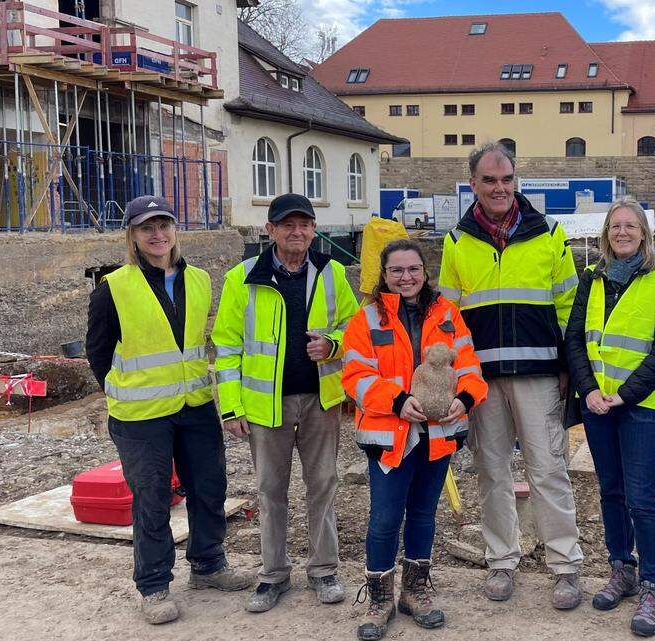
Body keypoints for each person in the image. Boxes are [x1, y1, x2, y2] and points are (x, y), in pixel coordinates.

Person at [85, 196, 253, 625]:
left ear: (175, 229)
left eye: (164, 225)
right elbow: (98, 352)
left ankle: (208, 565)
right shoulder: (113, 287)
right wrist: (120, 390)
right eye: (147, 228)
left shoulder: (198, 279)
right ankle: (154, 584)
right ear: (133, 237)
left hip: (195, 405)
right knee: (153, 498)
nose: (158, 235)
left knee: (209, 487)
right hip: (140, 416)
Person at [438, 141, 584, 609]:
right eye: (489, 180)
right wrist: (456, 376)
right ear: (473, 184)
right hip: (481, 379)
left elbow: (568, 307)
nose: (499, 188)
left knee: (548, 470)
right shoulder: (457, 242)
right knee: (491, 471)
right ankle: (501, 560)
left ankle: (564, 565)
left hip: (539, 374)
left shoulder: (550, 234)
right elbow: (448, 316)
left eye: (506, 179)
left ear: (515, 179)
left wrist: (565, 365)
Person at [212, 193, 360, 613]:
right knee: (270, 491)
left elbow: (355, 330)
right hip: (265, 407)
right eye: (287, 225)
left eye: (305, 225)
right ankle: (273, 575)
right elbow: (226, 346)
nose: (297, 232)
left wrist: (332, 345)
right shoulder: (242, 278)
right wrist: (231, 407)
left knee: (323, 487)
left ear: (314, 229)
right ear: (270, 230)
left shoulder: (331, 273)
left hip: (321, 401)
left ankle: (324, 570)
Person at [343, 238, 488, 640]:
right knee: (385, 518)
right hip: (390, 435)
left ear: (425, 272)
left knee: (424, 515)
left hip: (437, 435)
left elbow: (469, 364)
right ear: (383, 275)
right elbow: (355, 377)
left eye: (412, 269)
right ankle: (378, 597)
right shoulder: (368, 318)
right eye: (396, 271)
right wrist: (397, 401)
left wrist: (466, 397)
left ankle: (415, 590)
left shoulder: (446, 314)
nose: (405, 277)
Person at [564, 198, 655, 637]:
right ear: (606, 234)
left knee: (641, 498)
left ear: (644, 235)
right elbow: (575, 339)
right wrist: (589, 390)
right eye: (616, 226)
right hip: (598, 405)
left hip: (640, 408)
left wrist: (623, 396)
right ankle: (622, 568)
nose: (623, 233)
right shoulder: (591, 280)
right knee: (610, 490)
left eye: (631, 226)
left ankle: (654, 584)